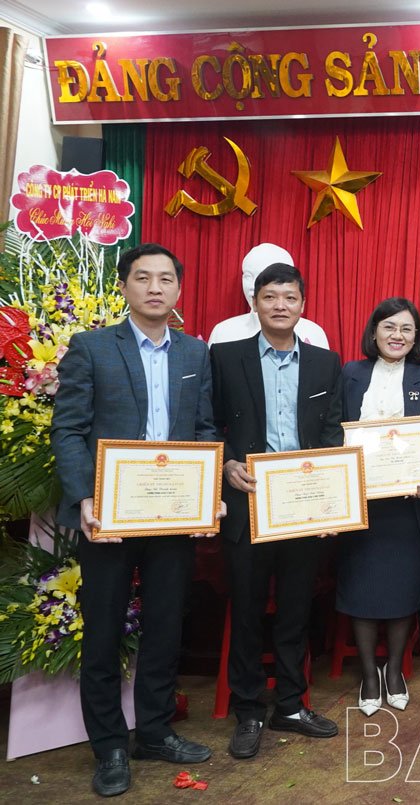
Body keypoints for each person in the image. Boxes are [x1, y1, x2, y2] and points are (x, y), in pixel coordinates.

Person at [51, 243, 219, 797]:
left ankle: (154, 732)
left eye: (166, 279)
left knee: (166, 627)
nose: (155, 288)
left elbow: (204, 429)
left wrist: (208, 495)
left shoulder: (195, 353)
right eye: (143, 278)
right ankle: (109, 747)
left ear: (178, 289)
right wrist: (84, 497)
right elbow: (68, 429)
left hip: (172, 513)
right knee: (102, 630)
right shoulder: (92, 347)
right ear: (124, 286)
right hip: (109, 514)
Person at [210, 262, 344, 760]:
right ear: (255, 303)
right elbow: (208, 424)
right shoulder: (226, 357)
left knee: (295, 609)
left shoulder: (325, 363)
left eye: (289, 297)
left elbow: (332, 433)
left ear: (302, 305)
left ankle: (290, 704)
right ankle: (248, 709)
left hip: (302, 506)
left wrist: (331, 502)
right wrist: (226, 464)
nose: (280, 305)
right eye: (270, 297)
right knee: (247, 609)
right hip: (248, 500)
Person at [339, 298, 420, 716]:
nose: (397, 335)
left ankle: (395, 670)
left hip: (407, 506)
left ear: (416, 337)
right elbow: (333, 428)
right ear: (374, 332)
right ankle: (370, 675)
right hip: (361, 504)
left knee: (403, 590)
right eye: (389, 327)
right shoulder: (350, 373)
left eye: (406, 328)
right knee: (361, 589)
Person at [207, 243, 329, 348]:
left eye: (263, 277)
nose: (253, 286)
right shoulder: (223, 332)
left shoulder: (313, 333)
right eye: (248, 276)